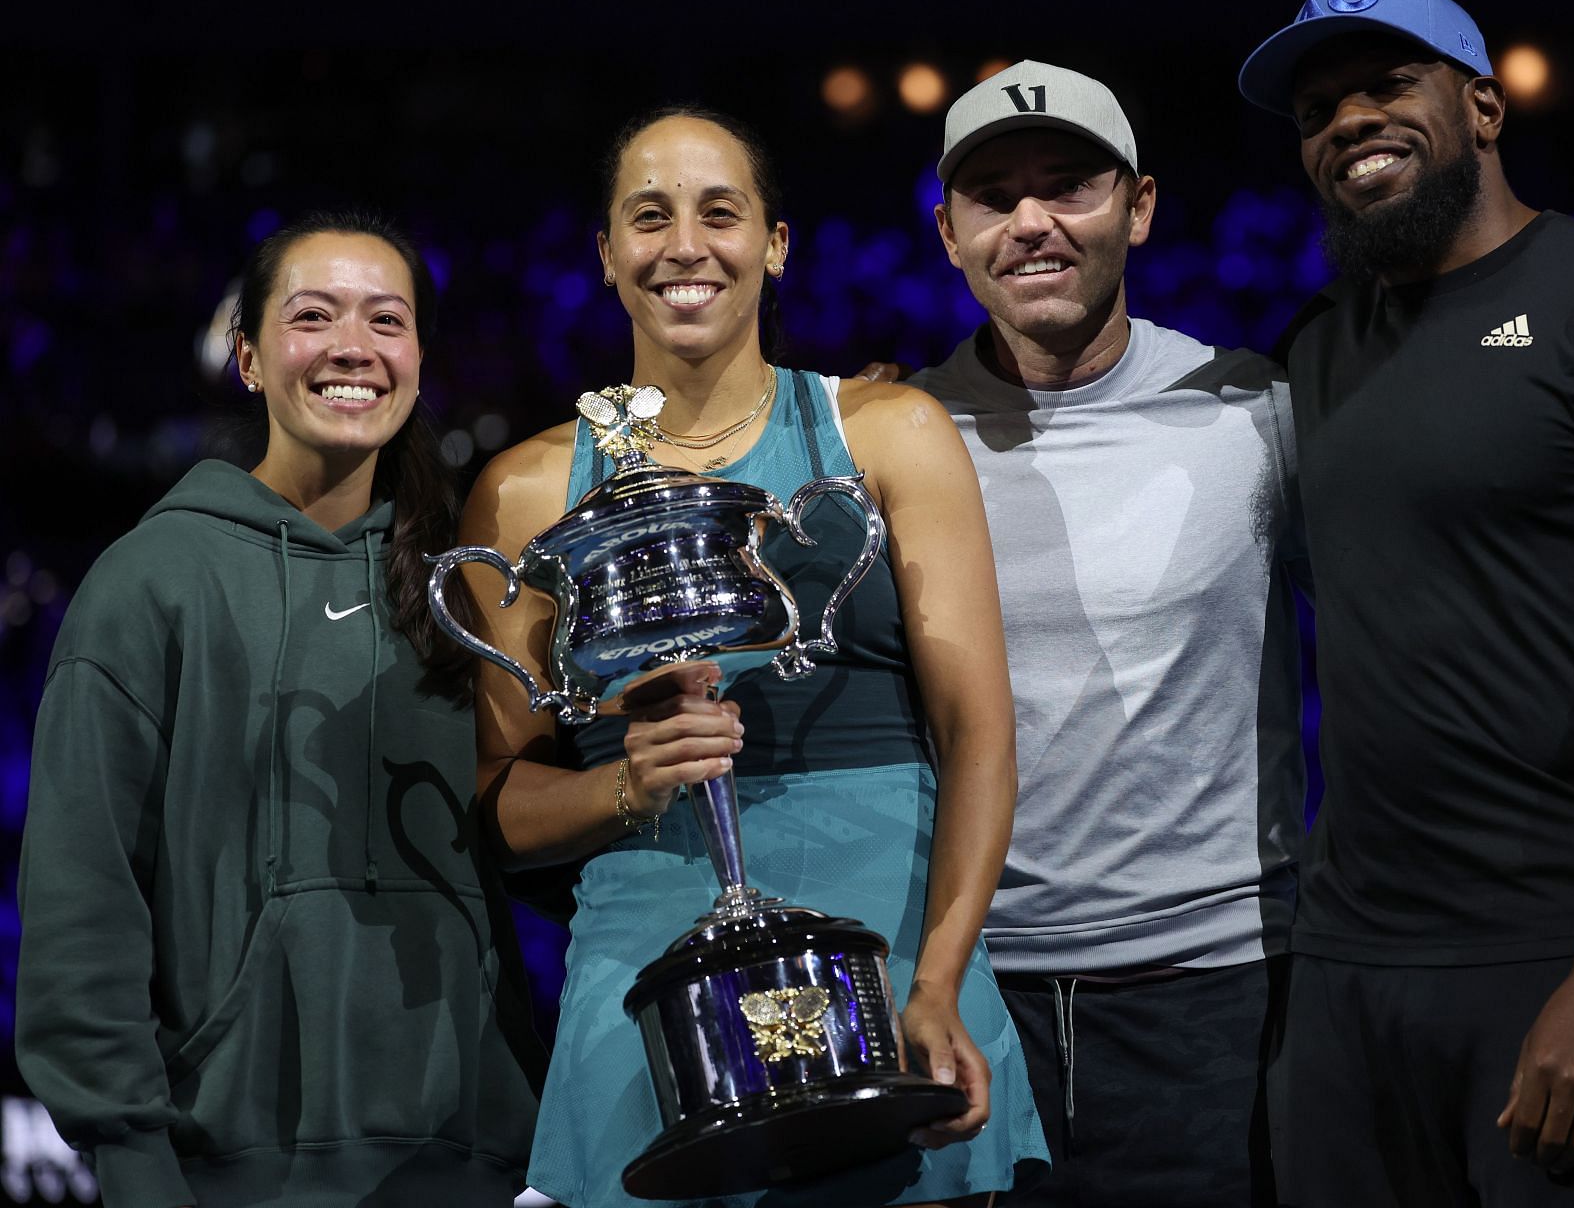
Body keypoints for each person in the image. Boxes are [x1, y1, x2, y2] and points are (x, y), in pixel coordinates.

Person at [1240, 0, 1574, 1205]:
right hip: (1346, 982)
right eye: (1321, 108)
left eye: (1388, 83)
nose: (1349, 123)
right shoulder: (1314, 353)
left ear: (1482, 106)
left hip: (1567, 957)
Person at [458, 105, 1048, 1208]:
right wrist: (622, 784)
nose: (686, 243)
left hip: (890, 961)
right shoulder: (528, 488)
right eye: (649, 216)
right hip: (645, 971)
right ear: (605, 255)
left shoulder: (889, 431)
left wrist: (937, 979)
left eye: (720, 212)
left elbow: (979, 733)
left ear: (776, 244)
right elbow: (501, 795)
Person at [16, 210, 544, 1206]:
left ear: (422, 360)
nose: (353, 345)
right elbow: (83, 896)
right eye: (315, 315)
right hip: (228, 1171)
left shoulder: (466, 590)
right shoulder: (150, 580)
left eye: (386, 319)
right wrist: (131, 1153)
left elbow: (517, 837)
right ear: (251, 357)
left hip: (462, 1165)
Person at [907, 61, 1312, 1206]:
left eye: (1069, 185)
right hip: (970, 992)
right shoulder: (892, 440)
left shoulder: (1253, 411)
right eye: (994, 195)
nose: (1032, 221)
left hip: (1217, 995)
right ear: (950, 233)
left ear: (1136, 206)